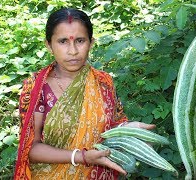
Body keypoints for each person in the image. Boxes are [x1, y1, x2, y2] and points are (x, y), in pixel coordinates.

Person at [14, 8, 155, 179]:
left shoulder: (103, 82)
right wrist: (80, 157)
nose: (72, 51)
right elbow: (31, 148)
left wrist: (131, 131)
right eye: (63, 41)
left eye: (80, 41)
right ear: (49, 45)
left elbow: (112, 126)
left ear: (91, 42)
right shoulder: (36, 88)